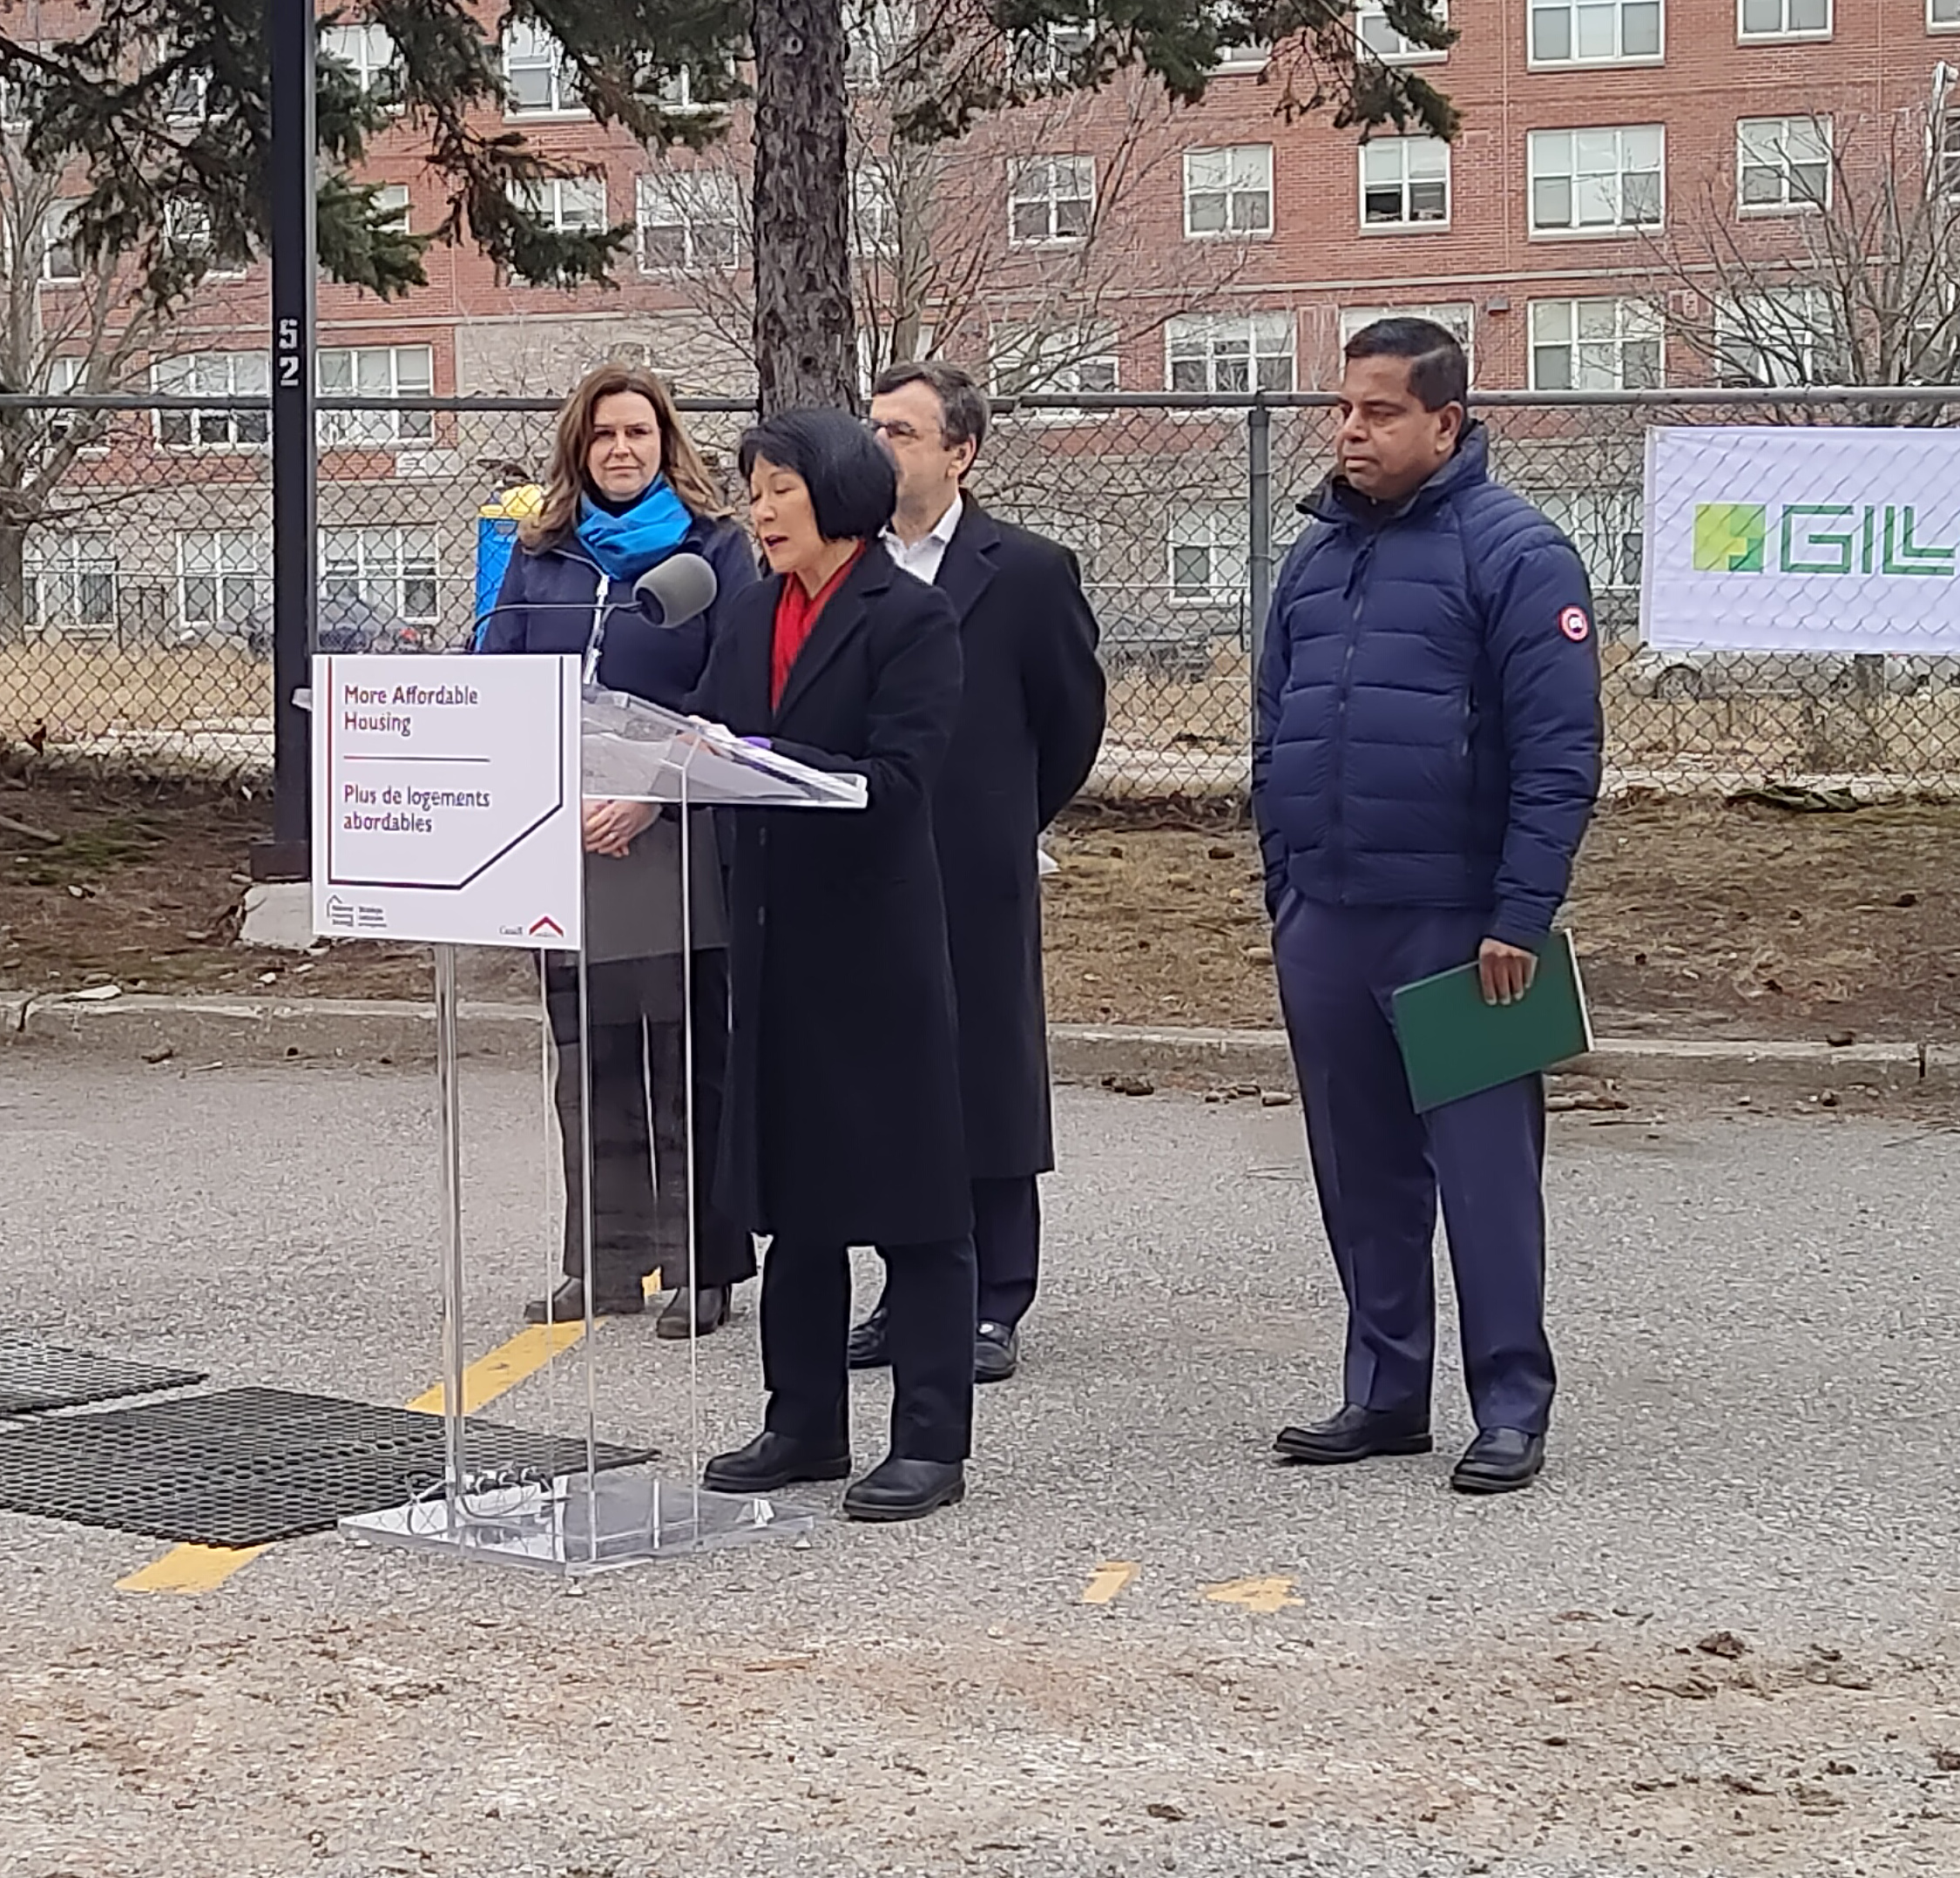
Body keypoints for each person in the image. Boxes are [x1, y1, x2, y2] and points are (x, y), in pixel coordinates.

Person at [1252, 318, 1602, 1496]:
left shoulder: (1517, 553)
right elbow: (1273, 727)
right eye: (1343, 409)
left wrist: (1519, 912)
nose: (1350, 431)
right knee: (1361, 1172)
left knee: (1484, 1176)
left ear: (1444, 423)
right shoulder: (1314, 558)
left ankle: (1509, 1404)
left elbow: (1559, 752)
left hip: (1458, 924)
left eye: (1380, 412)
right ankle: (1384, 1391)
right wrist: (1286, 884)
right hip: (1327, 912)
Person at [691, 407, 976, 1524]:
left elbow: (899, 779)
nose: (760, 511)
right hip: (772, 940)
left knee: (914, 1201)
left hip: (875, 947)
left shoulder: (910, 615)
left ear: (840, 494)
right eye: (753, 490)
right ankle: (803, 1421)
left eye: (780, 490)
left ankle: (930, 1440)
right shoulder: (749, 610)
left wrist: (765, 758)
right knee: (797, 1197)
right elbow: (707, 735)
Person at [478, 362, 759, 1340]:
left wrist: (650, 796)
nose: (621, 449)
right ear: (578, 449)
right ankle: (604, 1259)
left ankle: (703, 1264)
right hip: (564, 839)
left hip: (674, 834)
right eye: (602, 435)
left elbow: (735, 689)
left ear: (665, 443)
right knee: (589, 1060)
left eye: (637, 432)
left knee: (684, 1056)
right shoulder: (542, 555)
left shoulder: (713, 551)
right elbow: (499, 679)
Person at [846, 361, 1105, 1384]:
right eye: (872, 428)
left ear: (961, 451)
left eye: (902, 432)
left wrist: (1005, 819)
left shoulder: (1027, 571)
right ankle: (907, 1287)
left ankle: (996, 1296)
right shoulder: (849, 562)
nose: (880, 447)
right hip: (870, 866)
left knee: (985, 1079)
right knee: (888, 1079)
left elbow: (1071, 720)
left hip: (975, 869)